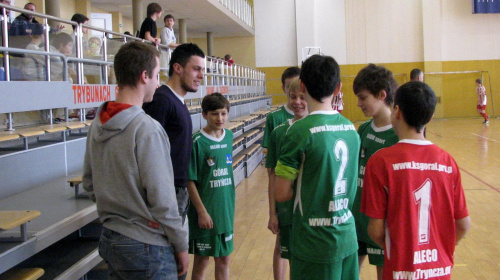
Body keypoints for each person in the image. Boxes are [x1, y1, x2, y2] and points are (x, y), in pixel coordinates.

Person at [82, 41, 189, 280]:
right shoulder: (147, 129)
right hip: (147, 244)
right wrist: (181, 244)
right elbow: (163, 198)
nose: (159, 83)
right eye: (156, 75)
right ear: (144, 76)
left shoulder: (98, 122)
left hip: (111, 238)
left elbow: (89, 184)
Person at [362, 81, 471, 280]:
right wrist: (439, 248)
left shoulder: (380, 161)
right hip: (440, 270)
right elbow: (463, 224)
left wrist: (401, 249)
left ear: (397, 111)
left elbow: (375, 230)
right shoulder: (447, 161)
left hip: (400, 269)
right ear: (430, 117)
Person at [275, 54, 360, 280]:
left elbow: (281, 192)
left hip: (312, 242)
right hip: (347, 236)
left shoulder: (298, 132)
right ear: (338, 88)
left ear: (301, 86)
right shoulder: (352, 129)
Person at [143, 43, 205, 280]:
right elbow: (148, 152)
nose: (201, 76)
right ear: (177, 68)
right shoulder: (161, 101)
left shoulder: (177, 102)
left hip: (177, 194)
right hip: (165, 196)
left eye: (203, 70)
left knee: (178, 266)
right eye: (196, 69)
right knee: (170, 266)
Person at [351, 64, 399, 280]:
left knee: (384, 274)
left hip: (382, 219)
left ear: (382, 95)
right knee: (350, 271)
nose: (359, 103)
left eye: (363, 98)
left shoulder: (397, 136)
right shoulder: (364, 129)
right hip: (357, 215)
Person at [187, 92, 235, 280]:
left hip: (226, 210)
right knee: (202, 260)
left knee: (224, 259)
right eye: (214, 113)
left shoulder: (229, 136)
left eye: (223, 113)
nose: (220, 118)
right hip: (205, 211)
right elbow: (189, 180)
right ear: (204, 114)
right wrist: (201, 211)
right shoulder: (197, 141)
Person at [265, 78, 308, 280]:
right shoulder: (279, 132)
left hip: (310, 208)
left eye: (302, 97)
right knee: (286, 252)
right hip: (286, 207)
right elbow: (272, 176)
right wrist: (272, 213)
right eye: (293, 97)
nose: (297, 102)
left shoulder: (316, 129)